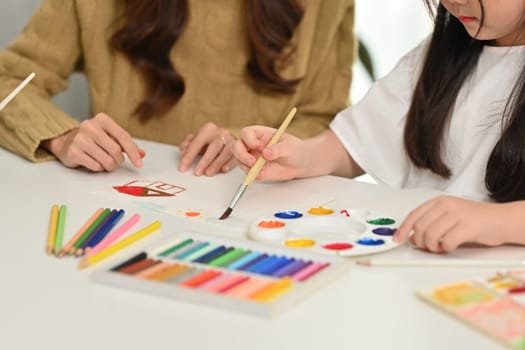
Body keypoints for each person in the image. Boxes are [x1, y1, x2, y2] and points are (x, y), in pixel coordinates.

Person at [233, 0, 525, 253]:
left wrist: (498, 221)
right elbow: (356, 143)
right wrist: (302, 157)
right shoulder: (441, 52)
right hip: (417, 263)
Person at [0, 0, 354, 176]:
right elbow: (8, 80)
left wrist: (254, 146)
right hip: (119, 208)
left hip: (258, 218)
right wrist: (61, 136)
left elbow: (331, 126)